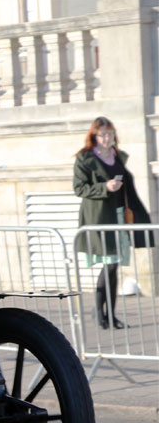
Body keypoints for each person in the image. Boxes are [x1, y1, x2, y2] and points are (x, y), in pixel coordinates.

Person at [73, 116, 152, 329]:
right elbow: (79, 188)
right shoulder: (85, 158)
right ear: (94, 136)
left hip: (119, 216)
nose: (107, 138)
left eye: (110, 134)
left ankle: (111, 315)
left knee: (114, 267)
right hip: (100, 218)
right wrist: (104, 187)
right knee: (110, 266)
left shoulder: (117, 156)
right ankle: (100, 314)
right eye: (102, 135)